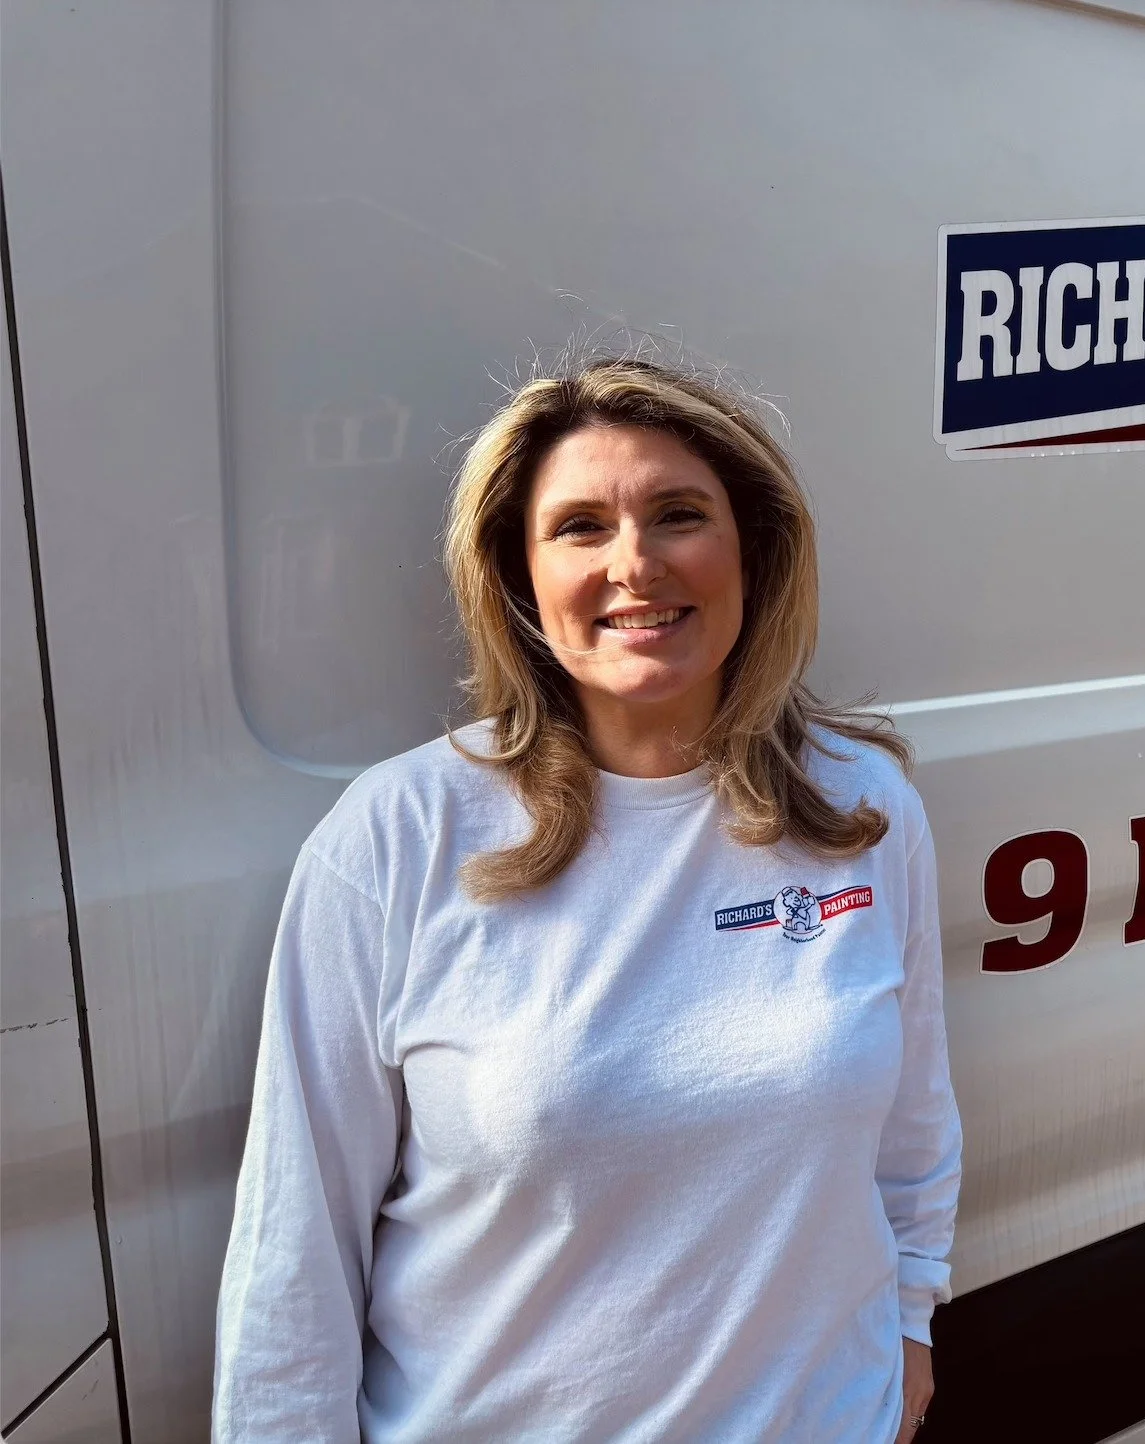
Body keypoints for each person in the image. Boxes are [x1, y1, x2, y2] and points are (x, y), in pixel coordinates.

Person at [214, 355, 961, 1442]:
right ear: (518, 579)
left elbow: (911, 1123)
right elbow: (295, 1245)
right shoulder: (396, 840)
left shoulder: (858, 806)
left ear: (751, 549)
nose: (636, 564)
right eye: (579, 528)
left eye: (677, 514)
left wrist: (908, 1320)